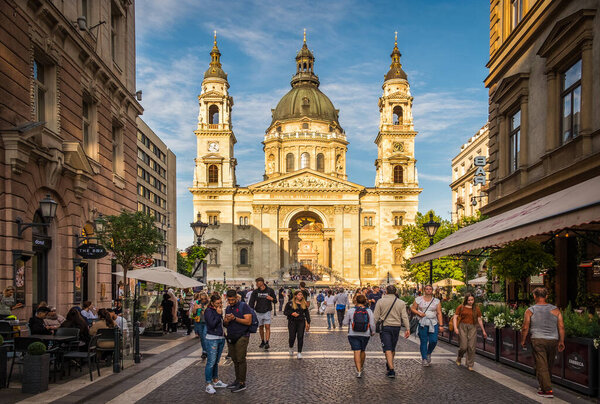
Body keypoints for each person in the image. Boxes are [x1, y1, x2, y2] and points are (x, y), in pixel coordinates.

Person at [521, 287, 565, 399]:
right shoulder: (556, 310)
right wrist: (561, 340)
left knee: (541, 365)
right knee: (548, 364)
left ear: (534, 296)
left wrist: (523, 340)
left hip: (538, 339)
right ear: (546, 296)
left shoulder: (530, 310)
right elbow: (561, 326)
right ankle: (543, 386)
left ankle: (547, 390)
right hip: (553, 340)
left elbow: (525, 327)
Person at [373, 285, 410, 378]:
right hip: (396, 327)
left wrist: (372, 327)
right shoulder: (401, 302)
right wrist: (407, 328)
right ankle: (390, 365)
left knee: (388, 348)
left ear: (386, 291)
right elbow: (404, 316)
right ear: (395, 292)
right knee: (392, 347)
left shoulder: (380, 301)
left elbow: (375, 316)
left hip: (385, 327)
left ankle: (391, 369)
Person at [223, 289, 252, 393]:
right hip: (231, 336)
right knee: (235, 360)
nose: (230, 302)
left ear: (236, 297)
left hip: (242, 336)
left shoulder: (244, 306)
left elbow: (248, 321)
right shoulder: (228, 308)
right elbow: (225, 324)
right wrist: (226, 320)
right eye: (229, 300)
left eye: (232, 300)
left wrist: (235, 318)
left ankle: (242, 383)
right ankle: (237, 380)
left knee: (240, 359)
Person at [343, 294, 376, 378]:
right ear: (365, 302)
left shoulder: (351, 310)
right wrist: (373, 332)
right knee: (362, 350)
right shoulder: (369, 311)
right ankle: (361, 366)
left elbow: (345, 323)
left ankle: (358, 371)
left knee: (356, 351)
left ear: (356, 301)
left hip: (353, 333)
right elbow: (372, 323)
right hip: (365, 333)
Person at [411, 284, 444, 367]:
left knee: (434, 340)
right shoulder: (418, 299)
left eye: (430, 289)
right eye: (427, 289)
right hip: (422, 322)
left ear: (432, 291)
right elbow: (412, 308)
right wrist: (419, 313)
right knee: (424, 341)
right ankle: (424, 358)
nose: (428, 290)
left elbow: (439, 313)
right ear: (424, 290)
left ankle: (429, 352)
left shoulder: (436, 301)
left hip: (433, 322)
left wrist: (441, 325)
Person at [452, 293, 487, 371]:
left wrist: (483, 331)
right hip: (462, 326)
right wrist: (455, 328)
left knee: (471, 346)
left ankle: (470, 364)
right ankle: (459, 357)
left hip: (473, 327)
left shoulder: (476, 308)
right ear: (466, 300)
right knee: (463, 346)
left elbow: (479, 319)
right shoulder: (461, 307)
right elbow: (455, 317)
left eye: (472, 300)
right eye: (469, 300)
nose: (471, 301)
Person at [204, 294, 228, 394]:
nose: (219, 305)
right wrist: (218, 314)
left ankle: (215, 380)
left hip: (220, 338)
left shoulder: (218, 310)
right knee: (211, 362)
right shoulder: (208, 311)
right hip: (212, 338)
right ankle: (208, 384)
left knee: (216, 361)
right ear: (212, 303)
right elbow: (212, 324)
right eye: (217, 303)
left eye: (220, 303)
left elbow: (220, 324)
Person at [248, 277, 277, 350]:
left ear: (262, 282)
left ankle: (267, 342)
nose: (257, 284)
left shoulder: (270, 290)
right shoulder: (255, 292)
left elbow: (275, 301)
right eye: (256, 283)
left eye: (258, 282)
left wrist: (272, 299)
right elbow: (251, 302)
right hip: (258, 311)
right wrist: (250, 311)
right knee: (261, 327)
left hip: (267, 311)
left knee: (267, 326)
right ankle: (262, 341)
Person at [284, 290, 311, 359]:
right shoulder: (290, 303)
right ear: (295, 296)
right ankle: (291, 347)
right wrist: (292, 313)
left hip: (301, 321)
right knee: (292, 337)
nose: (300, 296)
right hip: (292, 321)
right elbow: (285, 312)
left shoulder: (304, 304)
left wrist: (308, 322)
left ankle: (299, 352)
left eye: (301, 295)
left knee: (300, 336)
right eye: (299, 295)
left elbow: (307, 313)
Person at [193, 292, 209, 359]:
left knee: (205, 336)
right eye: (202, 299)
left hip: (206, 322)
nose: (203, 300)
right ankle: (204, 351)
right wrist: (195, 308)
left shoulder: (208, 303)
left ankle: (205, 351)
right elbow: (193, 313)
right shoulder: (197, 302)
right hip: (199, 321)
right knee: (202, 337)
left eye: (205, 298)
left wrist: (205, 310)